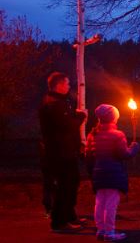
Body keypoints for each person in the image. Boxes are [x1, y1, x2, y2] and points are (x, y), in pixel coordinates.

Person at [38, 72, 87, 232]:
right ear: (59, 85)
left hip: (64, 150)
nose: (69, 86)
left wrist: (76, 115)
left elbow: (66, 120)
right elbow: (66, 125)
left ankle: (69, 215)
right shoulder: (54, 104)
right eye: (67, 84)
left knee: (72, 182)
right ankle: (59, 222)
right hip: (60, 152)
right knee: (65, 186)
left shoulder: (57, 102)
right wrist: (81, 118)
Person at [85, 104, 140, 241]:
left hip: (98, 174)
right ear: (113, 118)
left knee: (100, 202)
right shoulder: (117, 135)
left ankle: (101, 230)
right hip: (113, 173)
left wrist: (93, 172)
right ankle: (109, 232)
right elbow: (124, 154)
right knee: (111, 204)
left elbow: (88, 156)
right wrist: (134, 148)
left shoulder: (92, 134)